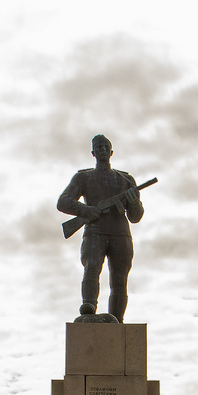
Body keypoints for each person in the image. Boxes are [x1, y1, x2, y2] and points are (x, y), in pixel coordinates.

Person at [57, 134, 145, 319]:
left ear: (111, 152)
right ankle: (88, 305)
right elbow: (63, 202)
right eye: (99, 147)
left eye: (106, 146)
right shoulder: (84, 177)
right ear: (93, 153)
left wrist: (135, 202)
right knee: (92, 266)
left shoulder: (126, 180)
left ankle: (117, 319)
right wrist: (87, 211)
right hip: (94, 231)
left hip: (120, 234)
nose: (103, 149)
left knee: (120, 278)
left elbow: (135, 217)